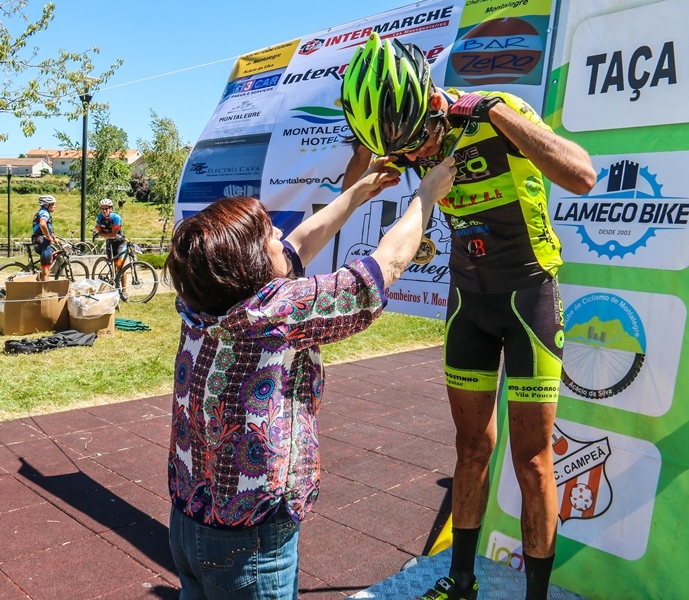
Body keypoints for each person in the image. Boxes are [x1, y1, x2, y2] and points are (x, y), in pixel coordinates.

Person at [340, 33, 597, 600]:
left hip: (528, 296)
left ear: (430, 99)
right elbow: (348, 188)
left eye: (419, 138)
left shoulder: (488, 114)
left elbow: (582, 176)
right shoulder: (404, 133)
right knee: (470, 450)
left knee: (532, 463)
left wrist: (496, 111)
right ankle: (460, 583)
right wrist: (368, 142)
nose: (417, 152)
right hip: (467, 302)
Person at [163, 154, 456, 600]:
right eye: (269, 237)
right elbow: (380, 271)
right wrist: (426, 196)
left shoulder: (201, 303)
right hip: (250, 536)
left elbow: (297, 245)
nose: (281, 236)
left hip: (187, 517)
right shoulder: (276, 311)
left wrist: (357, 194)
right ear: (251, 265)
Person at [94, 198, 128, 299]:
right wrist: (106, 235)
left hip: (119, 243)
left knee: (121, 267)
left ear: (111, 208)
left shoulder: (116, 217)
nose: (104, 211)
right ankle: (114, 287)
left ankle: (124, 291)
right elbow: (100, 232)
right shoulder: (99, 217)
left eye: (107, 208)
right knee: (112, 265)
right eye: (102, 209)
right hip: (109, 243)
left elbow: (113, 233)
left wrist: (105, 234)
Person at [31, 195, 58, 281]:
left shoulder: (41, 211)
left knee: (47, 264)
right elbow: (43, 224)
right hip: (44, 243)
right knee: (46, 270)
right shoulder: (45, 213)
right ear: (47, 205)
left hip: (38, 240)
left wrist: (54, 238)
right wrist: (47, 236)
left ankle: (41, 278)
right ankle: (45, 291)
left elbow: (48, 227)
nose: (54, 206)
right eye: (52, 204)